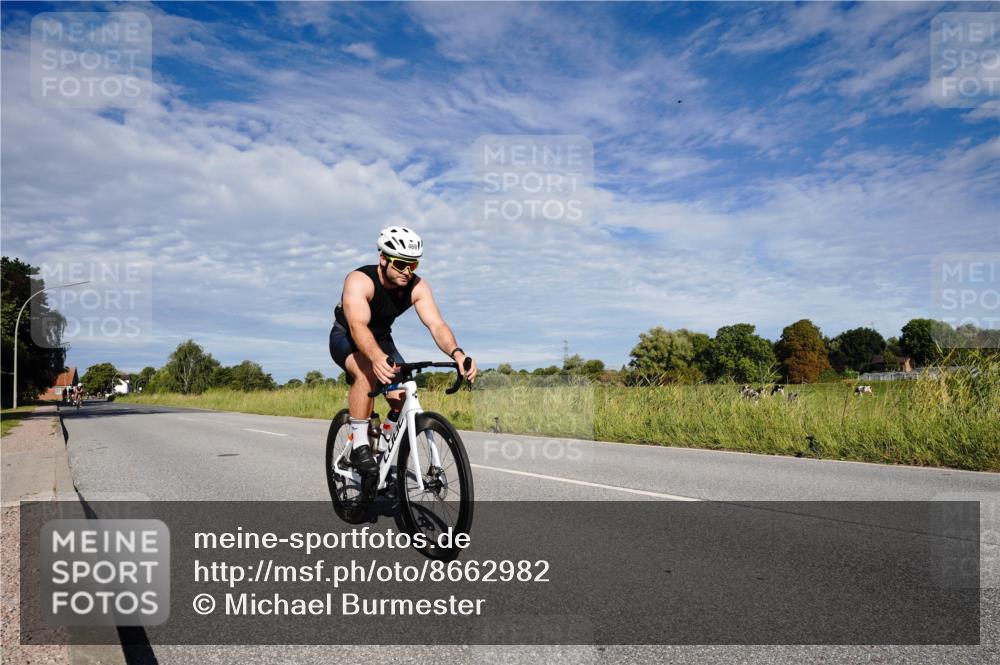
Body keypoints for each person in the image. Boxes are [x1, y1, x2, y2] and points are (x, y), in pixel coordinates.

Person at [329, 226, 476, 481]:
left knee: (401, 396)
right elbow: (358, 326)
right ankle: (360, 447)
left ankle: (383, 441)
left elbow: (437, 325)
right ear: (383, 259)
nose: (407, 271)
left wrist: (457, 353)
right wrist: (375, 358)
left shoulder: (417, 287)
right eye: (400, 264)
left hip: (383, 340)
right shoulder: (359, 280)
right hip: (348, 337)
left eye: (413, 265)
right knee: (367, 372)